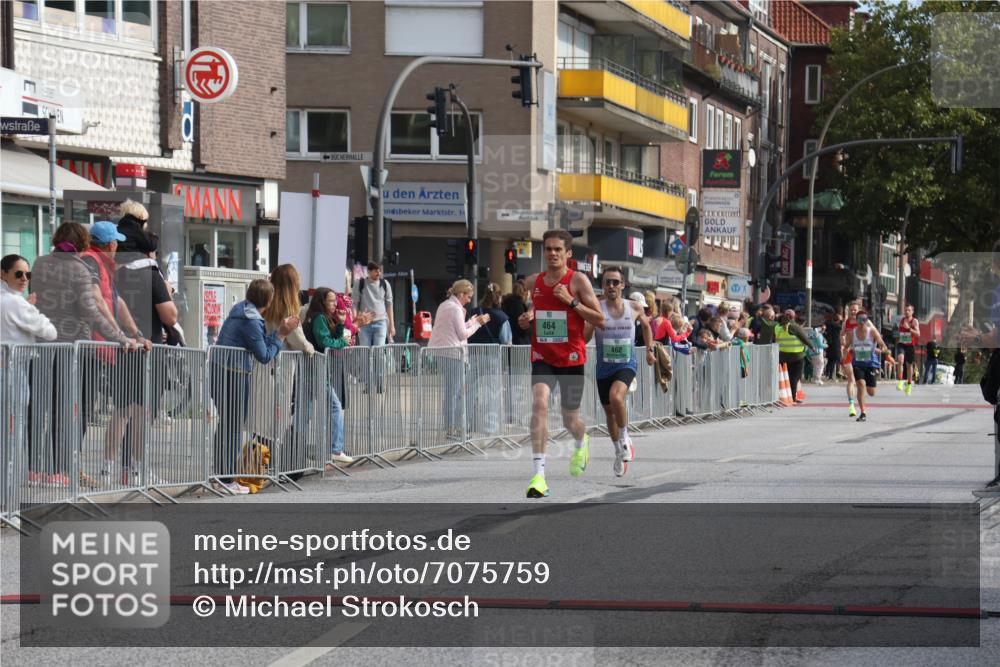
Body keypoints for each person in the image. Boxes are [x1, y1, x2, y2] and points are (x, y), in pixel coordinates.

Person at [32, 223, 141, 489]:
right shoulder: (80, 268)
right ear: (82, 243)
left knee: (38, 409)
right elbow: (92, 312)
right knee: (67, 410)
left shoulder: (40, 262)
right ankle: (60, 472)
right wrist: (122, 338)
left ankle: (35, 470)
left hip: (40, 345)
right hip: (72, 347)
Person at [517, 229, 604, 499]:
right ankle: (539, 475)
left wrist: (572, 301)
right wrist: (527, 317)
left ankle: (581, 440)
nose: (552, 254)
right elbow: (535, 307)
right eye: (548, 249)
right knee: (539, 404)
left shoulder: (578, 281)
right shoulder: (534, 281)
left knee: (570, 419)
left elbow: (599, 319)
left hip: (572, 358)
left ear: (568, 254)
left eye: (558, 249)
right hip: (543, 356)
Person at [211, 279, 299, 494]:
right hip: (234, 374)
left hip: (222, 370)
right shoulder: (251, 320)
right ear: (268, 300)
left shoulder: (240, 311)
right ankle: (227, 479)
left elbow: (257, 344)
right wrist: (282, 334)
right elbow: (264, 356)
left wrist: (276, 333)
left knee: (227, 425)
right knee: (232, 426)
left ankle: (221, 476)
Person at [584, 266, 654, 477]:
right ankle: (617, 451)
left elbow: (647, 327)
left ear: (623, 285)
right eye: (607, 282)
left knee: (616, 397)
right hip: (604, 367)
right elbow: (585, 337)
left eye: (615, 282)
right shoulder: (596, 308)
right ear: (602, 286)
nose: (611, 286)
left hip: (626, 364)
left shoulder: (633, 307)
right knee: (608, 413)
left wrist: (650, 351)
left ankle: (625, 438)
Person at [428, 280, 489, 438]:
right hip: (453, 353)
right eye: (468, 296)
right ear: (461, 294)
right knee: (454, 392)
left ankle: (450, 427)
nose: (469, 300)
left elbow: (455, 328)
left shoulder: (445, 305)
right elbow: (462, 334)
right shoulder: (455, 309)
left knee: (451, 391)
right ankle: (451, 428)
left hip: (442, 351)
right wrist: (478, 324)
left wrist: (472, 321)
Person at [304, 287, 354, 466]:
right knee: (335, 407)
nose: (335, 304)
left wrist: (340, 323)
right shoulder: (318, 318)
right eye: (331, 301)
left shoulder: (321, 317)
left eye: (335, 301)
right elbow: (324, 342)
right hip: (316, 369)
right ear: (322, 301)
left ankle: (299, 450)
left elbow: (331, 336)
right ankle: (335, 449)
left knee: (306, 410)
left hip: (316, 369)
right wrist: (342, 342)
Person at [845, 309, 894, 422]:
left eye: (864, 319)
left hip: (871, 363)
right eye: (860, 319)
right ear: (856, 320)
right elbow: (846, 346)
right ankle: (863, 412)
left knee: (871, 392)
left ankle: (871, 384)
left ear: (867, 320)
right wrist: (845, 357)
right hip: (857, 363)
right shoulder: (852, 333)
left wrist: (886, 353)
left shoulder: (872, 332)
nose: (862, 321)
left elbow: (883, 345)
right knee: (861, 385)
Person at [1, 254, 57, 344]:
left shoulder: (13, 301)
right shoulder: (15, 302)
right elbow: (50, 332)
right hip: (17, 357)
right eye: (18, 274)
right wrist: (31, 308)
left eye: (28, 275)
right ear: (3, 274)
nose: (24, 278)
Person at [775, 309, 816, 404]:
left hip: (782, 356)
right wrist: (812, 347)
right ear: (793, 317)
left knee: (784, 378)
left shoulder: (777, 327)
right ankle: (792, 398)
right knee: (795, 378)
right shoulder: (794, 327)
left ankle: (783, 397)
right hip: (796, 357)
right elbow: (804, 338)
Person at [352, 261, 394, 346]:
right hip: (364, 323)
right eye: (375, 271)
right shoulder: (360, 283)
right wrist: (355, 322)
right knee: (365, 353)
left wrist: (392, 326)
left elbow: (389, 305)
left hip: (381, 322)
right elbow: (354, 304)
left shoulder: (385, 284)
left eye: (379, 270)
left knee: (379, 353)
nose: (378, 273)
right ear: (369, 272)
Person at [840, 301, 862, 417]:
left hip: (861, 352)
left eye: (855, 310)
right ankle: (851, 405)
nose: (853, 312)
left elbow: (871, 334)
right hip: (848, 352)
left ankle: (860, 403)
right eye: (851, 310)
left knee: (860, 382)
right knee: (851, 379)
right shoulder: (846, 323)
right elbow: (842, 334)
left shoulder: (863, 322)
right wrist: (843, 339)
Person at [896, 304, 920, 394]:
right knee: (900, 360)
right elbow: (899, 332)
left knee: (909, 365)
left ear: (912, 312)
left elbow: (918, 334)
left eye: (909, 310)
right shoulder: (902, 320)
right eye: (906, 310)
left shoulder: (914, 321)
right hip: (902, 344)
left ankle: (909, 384)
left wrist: (909, 329)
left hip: (910, 345)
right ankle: (900, 381)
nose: (907, 312)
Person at [501, 279, 531, 346]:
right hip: (519, 343)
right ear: (525, 292)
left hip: (509, 341)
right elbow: (522, 328)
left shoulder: (506, 303)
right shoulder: (519, 305)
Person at [824, 314, 843, 380]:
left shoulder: (828, 325)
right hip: (836, 345)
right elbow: (841, 329)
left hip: (829, 344)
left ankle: (827, 373)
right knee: (833, 361)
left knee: (829, 360)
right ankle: (830, 376)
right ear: (838, 320)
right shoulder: (837, 326)